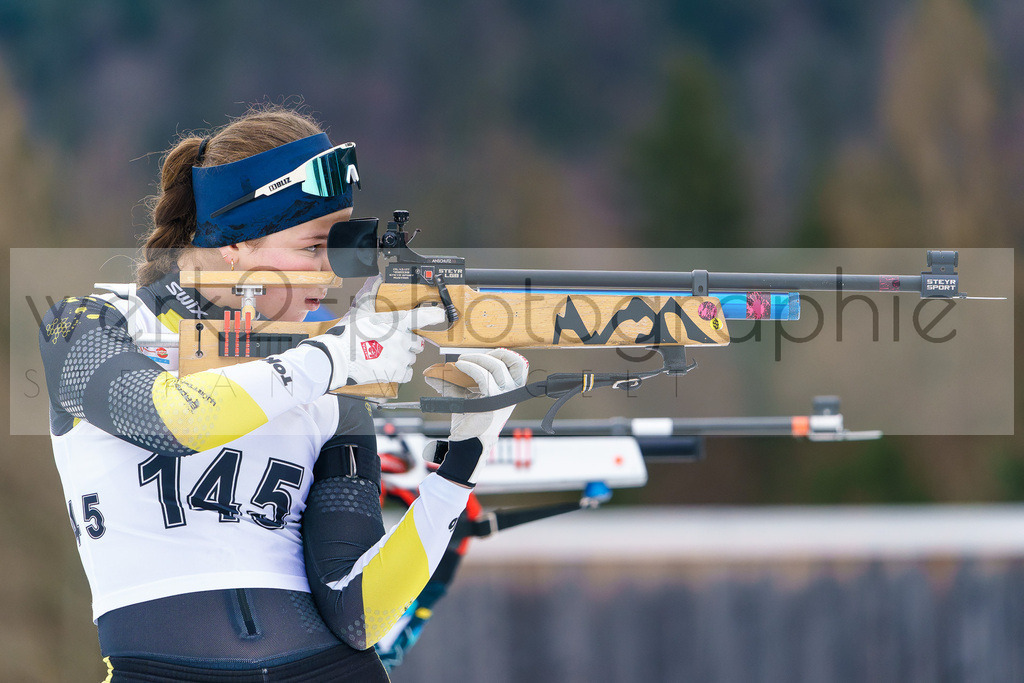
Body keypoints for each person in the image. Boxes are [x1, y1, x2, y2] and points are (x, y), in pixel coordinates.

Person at [38, 105, 526, 681]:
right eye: (312, 246)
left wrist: (455, 472)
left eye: (338, 248)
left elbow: (359, 613)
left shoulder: (335, 379)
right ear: (235, 244)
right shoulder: (88, 323)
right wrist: (336, 355)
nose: (330, 274)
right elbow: (172, 420)